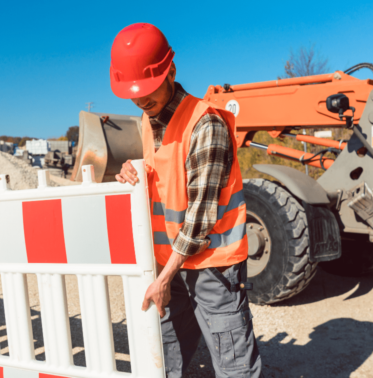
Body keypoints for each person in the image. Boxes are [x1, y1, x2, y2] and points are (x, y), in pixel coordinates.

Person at [111, 23, 262, 378]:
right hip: (172, 268)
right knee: (163, 358)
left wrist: (162, 278)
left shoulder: (205, 125)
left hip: (211, 266)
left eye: (146, 90)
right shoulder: (147, 123)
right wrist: (132, 173)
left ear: (171, 71)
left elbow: (199, 214)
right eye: (133, 93)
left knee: (234, 365)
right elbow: (165, 180)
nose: (140, 99)